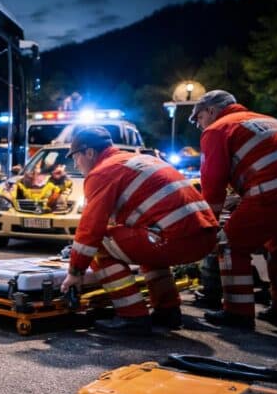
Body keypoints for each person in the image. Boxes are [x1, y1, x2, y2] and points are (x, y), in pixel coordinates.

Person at [60, 126, 218, 333]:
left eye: (76, 157)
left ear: (89, 152)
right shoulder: (138, 159)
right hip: (204, 236)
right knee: (146, 247)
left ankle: (131, 316)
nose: (76, 163)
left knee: (99, 245)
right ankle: (167, 311)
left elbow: (91, 229)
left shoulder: (102, 172)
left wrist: (75, 271)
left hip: (174, 238)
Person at [191, 90, 277, 329]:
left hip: (272, 189)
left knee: (230, 243)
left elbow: (213, 184)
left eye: (198, 118)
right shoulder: (267, 120)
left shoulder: (218, 129)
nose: (199, 125)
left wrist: (208, 226)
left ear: (211, 111)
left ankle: (237, 312)